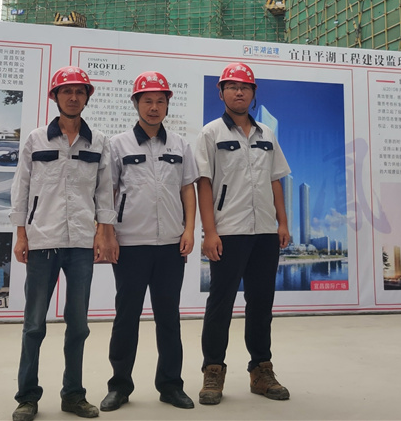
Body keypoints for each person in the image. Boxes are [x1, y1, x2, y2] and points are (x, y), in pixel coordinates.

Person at [9, 66, 118, 421]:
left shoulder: (98, 141)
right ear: (55, 96)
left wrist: (103, 233)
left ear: (87, 97)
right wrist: (21, 234)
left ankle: (73, 395)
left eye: (79, 91)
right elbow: (21, 187)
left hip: (82, 243)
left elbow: (105, 192)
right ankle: (27, 397)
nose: (73, 97)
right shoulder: (36, 139)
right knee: (34, 324)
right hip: (43, 240)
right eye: (66, 91)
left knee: (79, 325)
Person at [100, 71, 198, 412]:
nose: (154, 107)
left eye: (160, 101)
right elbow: (108, 192)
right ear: (136, 104)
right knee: (126, 317)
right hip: (130, 244)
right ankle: (119, 386)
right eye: (147, 101)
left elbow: (188, 189)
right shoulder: (118, 145)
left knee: (168, 318)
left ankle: (170, 385)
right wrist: (107, 234)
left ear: (167, 104)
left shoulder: (180, 145)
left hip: (171, 245)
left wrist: (189, 230)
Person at [195, 62, 291, 405]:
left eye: (245, 87)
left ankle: (261, 370)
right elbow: (204, 184)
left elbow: (276, 180)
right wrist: (209, 232)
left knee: (261, 304)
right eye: (232, 87)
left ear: (253, 94)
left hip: (264, 232)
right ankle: (213, 370)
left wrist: (282, 224)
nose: (239, 92)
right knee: (220, 304)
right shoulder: (210, 134)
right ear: (221, 92)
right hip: (229, 232)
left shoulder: (266, 134)